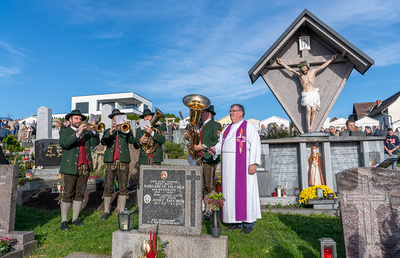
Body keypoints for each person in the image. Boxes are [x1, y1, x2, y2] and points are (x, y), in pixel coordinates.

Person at [210, 104, 261, 234]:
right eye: (230, 111)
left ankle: (248, 222)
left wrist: (253, 163)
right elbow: (221, 143)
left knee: (246, 192)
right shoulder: (226, 129)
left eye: (233, 111)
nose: (231, 113)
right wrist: (215, 149)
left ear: (241, 113)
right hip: (228, 166)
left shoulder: (248, 127)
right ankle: (235, 220)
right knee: (230, 192)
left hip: (243, 165)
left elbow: (255, 144)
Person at [59, 109, 100, 230]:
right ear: (70, 120)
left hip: (84, 167)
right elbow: (65, 144)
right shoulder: (64, 132)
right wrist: (77, 133)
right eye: (76, 119)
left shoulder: (86, 133)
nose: (79, 121)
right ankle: (64, 221)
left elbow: (95, 142)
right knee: (67, 193)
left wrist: (94, 130)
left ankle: (75, 218)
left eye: (80, 119)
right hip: (70, 166)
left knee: (79, 194)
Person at [277, 54, 337, 132]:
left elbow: (322, 66)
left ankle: (311, 126)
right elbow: (290, 70)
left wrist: (331, 60)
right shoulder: (300, 75)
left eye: (304, 68)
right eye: (302, 69)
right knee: (308, 110)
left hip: (313, 92)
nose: (304, 70)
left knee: (314, 110)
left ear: (307, 67)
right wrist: (281, 63)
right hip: (306, 94)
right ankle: (308, 127)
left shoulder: (313, 71)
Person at [100, 109, 136, 220]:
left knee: (123, 186)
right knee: (108, 185)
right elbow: (103, 142)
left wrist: (128, 130)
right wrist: (111, 131)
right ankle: (106, 211)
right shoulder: (107, 130)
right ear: (112, 119)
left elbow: (132, 141)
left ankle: (122, 211)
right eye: (115, 117)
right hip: (110, 161)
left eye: (119, 117)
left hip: (123, 160)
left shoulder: (125, 129)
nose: (117, 118)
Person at [190, 105, 222, 220]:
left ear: (209, 113)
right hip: (200, 158)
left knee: (210, 185)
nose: (200, 114)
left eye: (202, 112)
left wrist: (202, 147)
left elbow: (218, 141)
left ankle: (212, 210)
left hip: (209, 158)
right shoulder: (200, 126)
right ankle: (205, 209)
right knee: (202, 185)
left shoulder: (215, 125)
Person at [133, 109, 165, 212]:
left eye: (149, 116)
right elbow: (135, 145)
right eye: (145, 117)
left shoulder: (159, 128)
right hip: (144, 159)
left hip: (155, 158)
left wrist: (152, 133)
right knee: (141, 183)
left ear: (152, 117)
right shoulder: (139, 130)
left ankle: (156, 204)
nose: (147, 118)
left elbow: (162, 140)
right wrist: (140, 140)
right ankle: (140, 205)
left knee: (157, 183)